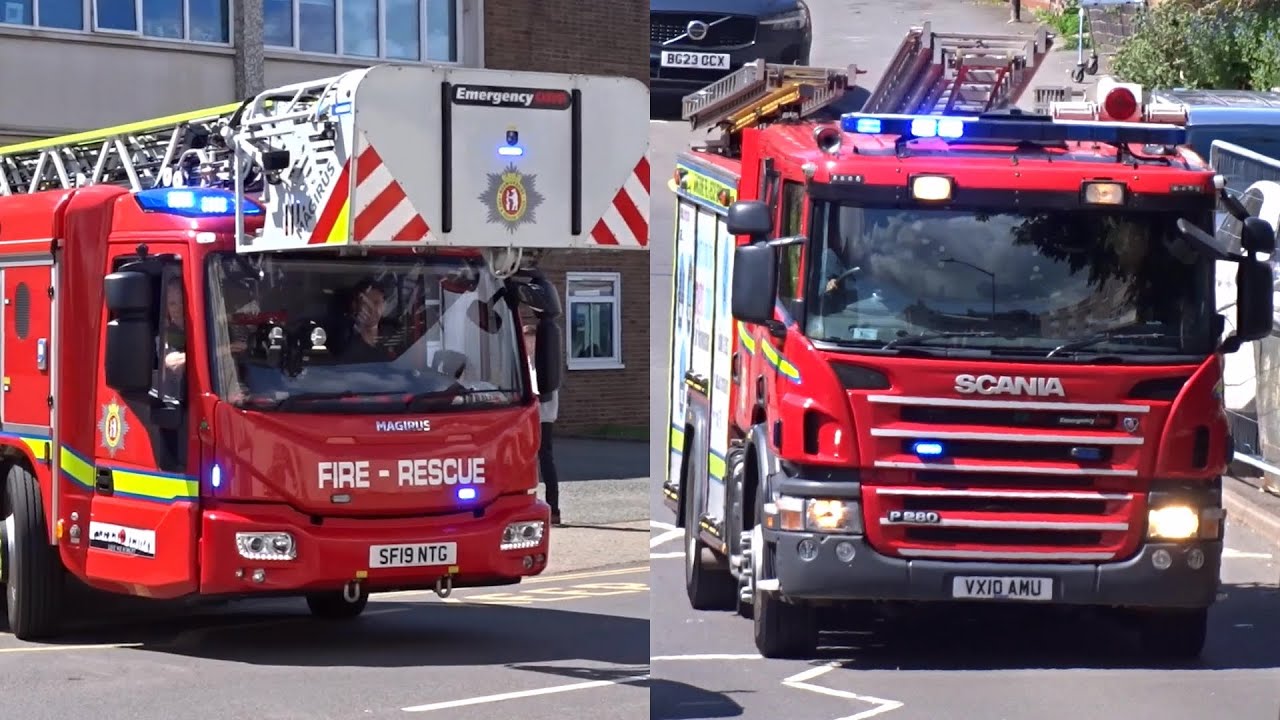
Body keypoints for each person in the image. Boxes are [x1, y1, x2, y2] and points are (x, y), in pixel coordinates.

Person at [523, 323, 561, 526]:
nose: (528, 345)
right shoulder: (527, 362)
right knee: (527, 460)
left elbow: (544, 392)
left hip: (543, 415)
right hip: (529, 416)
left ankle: (553, 508)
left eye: (529, 341)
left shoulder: (543, 363)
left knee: (545, 458)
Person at [339, 278, 397, 363]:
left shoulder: (396, 337)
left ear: (384, 306)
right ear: (355, 305)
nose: (372, 309)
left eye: (376, 303)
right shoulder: (345, 342)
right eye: (366, 303)